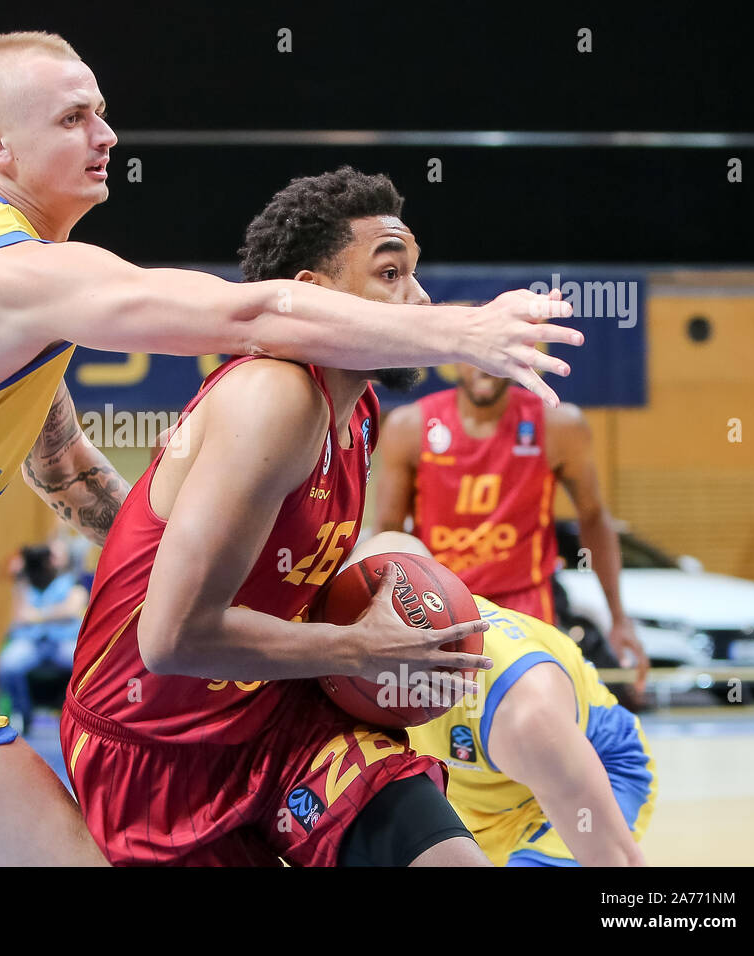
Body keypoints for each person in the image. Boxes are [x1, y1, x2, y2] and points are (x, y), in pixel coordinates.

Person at [0, 31, 579, 868]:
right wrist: (460, 330)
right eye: (74, 117)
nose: (106, 134)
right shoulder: (11, 276)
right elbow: (250, 313)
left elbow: (60, 462)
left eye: (102, 112)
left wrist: (191, 564)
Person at [63, 167, 494, 866]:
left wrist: (399, 626)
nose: (419, 300)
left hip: (278, 714)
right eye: (389, 274)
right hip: (154, 749)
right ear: (311, 296)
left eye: (414, 273)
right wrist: (363, 649)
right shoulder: (273, 397)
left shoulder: (360, 415)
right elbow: (172, 638)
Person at [349, 532, 656, 866]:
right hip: (475, 793)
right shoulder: (343, 649)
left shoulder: (526, 711)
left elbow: (618, 860)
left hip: (581, 774)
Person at [373, 363, 650, 692]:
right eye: (474, 357)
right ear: (454, 361)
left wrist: (619, 619)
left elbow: (593, 518)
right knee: (445, 730)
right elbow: (389, 533)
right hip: (442, 604)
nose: (484, 370)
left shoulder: (558, 425)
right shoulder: (410, 426)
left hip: (527, 608)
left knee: (534, 721)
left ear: (518, 363)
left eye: (494, 359)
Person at [0, 543, 88, 734]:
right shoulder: (25, 584)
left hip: (63, 642)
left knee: (85, 664)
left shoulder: (72, 581)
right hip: (31, 643)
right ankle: (21, 714)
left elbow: (71, 610)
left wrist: (38, 615)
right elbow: (20, 616)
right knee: (9, 664)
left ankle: (78, 716)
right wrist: (20, 575)